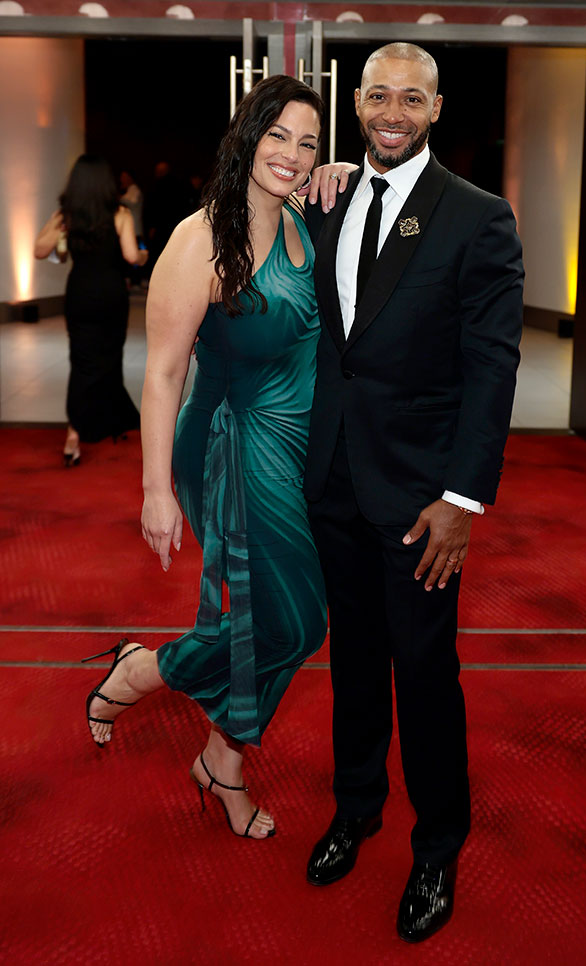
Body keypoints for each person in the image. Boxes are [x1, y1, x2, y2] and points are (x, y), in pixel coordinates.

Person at [303, 44, 523, 942]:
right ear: (357, 103)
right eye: (378, 96)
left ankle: (437, 847)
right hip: (333, 481)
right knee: (353, 663)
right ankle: (357, 807)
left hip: (422, 501)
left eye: (411, 99)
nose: (393, 112)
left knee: (426, 674)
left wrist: (463, 501)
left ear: (436, 108)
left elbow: (492, 368)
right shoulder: (329, 196)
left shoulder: (479, 216)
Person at [81, 75, 329, 841]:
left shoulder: (300, 219)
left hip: (291, 447)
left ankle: (221, 760)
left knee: (273, 622)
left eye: (309, 143)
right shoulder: (201, 239)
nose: (292, 154)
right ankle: (144, 674)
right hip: (231, 446)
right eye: (277, 135)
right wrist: (155, 491)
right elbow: (162, 373)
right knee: (295, 622)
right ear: (247, 136)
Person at [34, 155, 148, 465]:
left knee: (82, 360)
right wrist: (143, 255)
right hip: (111, 294)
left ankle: (75, 434)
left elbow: (39, 250)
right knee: (110, 356)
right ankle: (105, 422)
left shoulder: (66, 215)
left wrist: (61, 227)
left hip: (80, 293)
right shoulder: (120, 213)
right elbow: (131, 256)